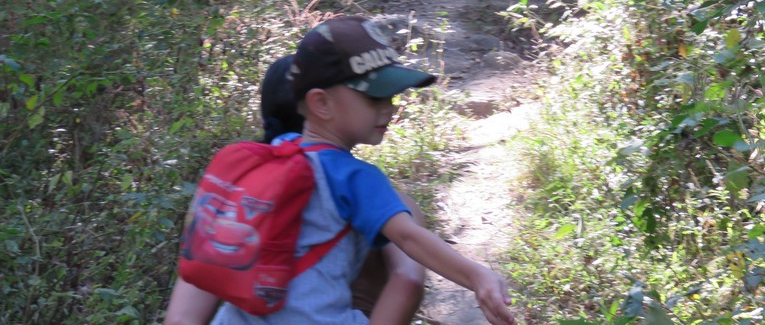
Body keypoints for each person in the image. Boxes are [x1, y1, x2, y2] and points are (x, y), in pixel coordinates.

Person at [206, 16, 515, 325]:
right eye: (374, 97)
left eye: (391, 96)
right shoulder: (353, 176)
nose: (389, 108)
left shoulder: (267, 157)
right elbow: (409, 238)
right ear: (321, 103)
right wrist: (478, 276)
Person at [163, 51, 428, 325]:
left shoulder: (234, 196)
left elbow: (182, 320)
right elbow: (408, 278)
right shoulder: (387, 202)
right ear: (323, 108)